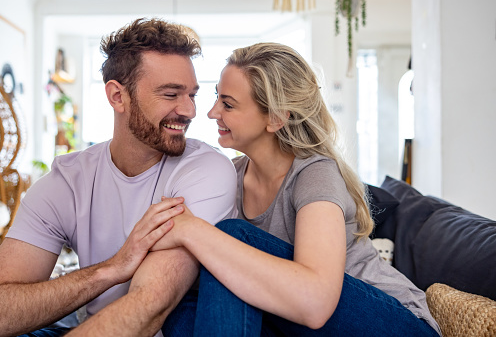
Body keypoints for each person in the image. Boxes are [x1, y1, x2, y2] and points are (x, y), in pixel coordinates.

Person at [154, 42, 441, 336]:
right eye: (217, 97)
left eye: (228, 104)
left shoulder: (315, 173)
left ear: (276, 118)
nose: (212, 112)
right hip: (296, 323)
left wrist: (193, 230)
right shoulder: (229, 177)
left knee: (234, 237)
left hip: (395, 324)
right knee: (182, 300)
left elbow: (315, 304)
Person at [0, 18, 237, 337]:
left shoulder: (205, 170)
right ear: (117, 97)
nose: (190, 111)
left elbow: (148, 306)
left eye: (192, 94)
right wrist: (111, 270)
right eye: (171, 94)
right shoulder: (68, 181)